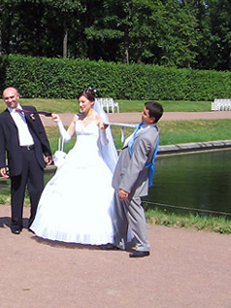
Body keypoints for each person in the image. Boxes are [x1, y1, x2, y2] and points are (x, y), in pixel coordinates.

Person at [30, 87, 119, 245]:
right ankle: (66, 229)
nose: (80, 105)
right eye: (79, 102)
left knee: (91, 195)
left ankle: (94, 232)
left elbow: (105, 143)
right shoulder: (76, 117)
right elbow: (66, 138)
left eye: (83, 102)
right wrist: (58, 123)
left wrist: (103, 130)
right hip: (76, 156)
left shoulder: (99, 118)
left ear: (91, 102)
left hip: (92, 158)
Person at [106, 101, 163, 258]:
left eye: (144, 113)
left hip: (131, 180)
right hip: (124, 176)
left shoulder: (146, 138)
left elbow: (136, 165)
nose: (141, 114)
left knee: (134, 211)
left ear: (152, 119)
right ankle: (119, 240)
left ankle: (142, 245)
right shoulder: (145, 128)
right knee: (120, 211)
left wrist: (125, 187)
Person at [0, 86, 53, 234]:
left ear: (18, 96)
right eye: (6, 98)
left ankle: (35, 222)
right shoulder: (1, 119)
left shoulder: (30, 111)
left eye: (12, 97)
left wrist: (47, 152)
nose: (10, 101)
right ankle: (16, 224)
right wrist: (2, 164)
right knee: (17, 191)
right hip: (17, 157)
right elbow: (0, 143)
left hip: (33, 153)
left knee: (37, 190)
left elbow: (40, 132)